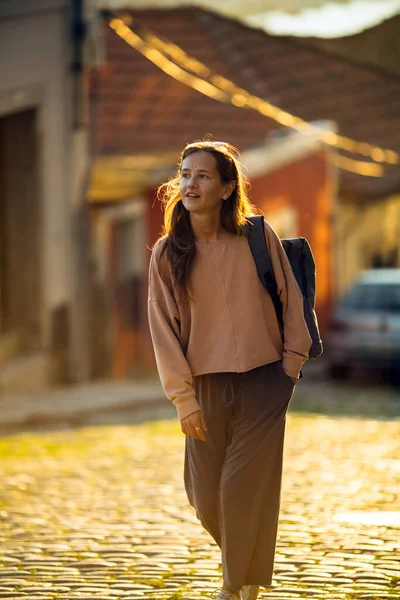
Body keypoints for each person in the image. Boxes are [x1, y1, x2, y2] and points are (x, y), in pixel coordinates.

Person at [147, 140, 311, 600]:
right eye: (184, 174)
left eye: (202, 175)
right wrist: (183, 399)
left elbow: (290, 300)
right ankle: (248, 567)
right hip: (205, 385)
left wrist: (290, 367)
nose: (190, 184)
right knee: (203, 498)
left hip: (265, 379)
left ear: (225, 187)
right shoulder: (166, 253)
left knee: (240, 487)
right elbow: (163, 329)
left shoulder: (259, 238)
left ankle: (233, 586)